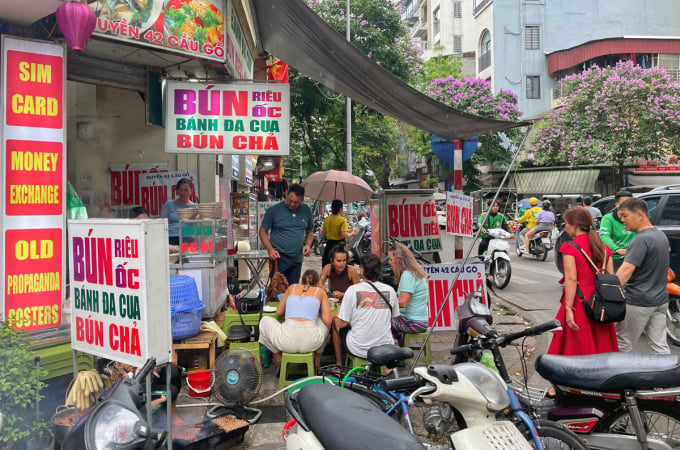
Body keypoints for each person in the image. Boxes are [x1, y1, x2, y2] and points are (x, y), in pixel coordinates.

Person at [547, 207, 618, 356]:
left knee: (578, 346)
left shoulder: (570, 247)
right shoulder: (603, 248)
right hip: (601, 301)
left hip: (580, 301)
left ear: (575, 224)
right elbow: (611, 276)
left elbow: (571, 279)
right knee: (601, 342)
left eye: (566, 223)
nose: (565, 226)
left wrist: (568, 308)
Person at [615, 198, 670, 354]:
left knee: (623, 343)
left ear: (639, 214)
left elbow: (625, 270)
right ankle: (666, 376)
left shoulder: (640, 239)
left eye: (625, 216)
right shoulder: (660, 236)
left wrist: (608, 292)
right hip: (660, 301)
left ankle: (624, 377)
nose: (622, 220)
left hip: (638, 301)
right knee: (659, 346)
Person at [331, 254, 400, 365]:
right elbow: (394, 317)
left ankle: (339, 363)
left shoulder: (352, 290)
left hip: (359, 348)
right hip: (385, 346)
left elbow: (342, 323)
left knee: (336, 323)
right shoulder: (390, 291)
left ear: (362, 271)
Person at [259, 269, 333, 369]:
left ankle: (278, 357)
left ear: (301, 281)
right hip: (310, 342)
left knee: (264, 321)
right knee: (324, 323)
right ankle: (317, 360)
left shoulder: (292, 288)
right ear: (317, 283)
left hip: (286, 342)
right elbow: (328, 321)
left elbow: (279, 312)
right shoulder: (320, 292)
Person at [259, 184, 314, 285]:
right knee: (278, 290)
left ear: (302, 199)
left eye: (296, 202)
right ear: (287, 195)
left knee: (293, 289)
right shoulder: (274, 210)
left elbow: (310, 231)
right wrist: (270, 249)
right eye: (290, 200)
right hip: (279, 258)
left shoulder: (306, 210)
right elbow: (262, 231)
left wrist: (308, 245)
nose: (292, 204)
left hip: (297, 259)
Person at [388, 243, 429, 344]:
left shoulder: (408, 275)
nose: (389, 262)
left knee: (380, 323)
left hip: (413, 322)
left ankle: (395, 353)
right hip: (418, 320)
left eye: (391, 259)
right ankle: (398, 347)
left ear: (398, 261)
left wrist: (384, 305)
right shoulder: (412, 272)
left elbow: (403, 303)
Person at [599, 190, 635, 271]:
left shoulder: (636, 217)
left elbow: (645, 230)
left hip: (634, 258)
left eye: (631, 203)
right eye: (625, 203)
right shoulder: (608, 219)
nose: (629, 205)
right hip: (616, 259)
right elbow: (604, 236)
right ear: (617, 205)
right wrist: (616, 249)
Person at [160, 178, 197, 246]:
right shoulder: (169, 204)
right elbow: (161, 225)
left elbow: (200, 226)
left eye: (186, 190)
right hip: (171, 238)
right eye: (180, 190)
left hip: (189, 238)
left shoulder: (195, 207)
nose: (183, 193)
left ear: (191, 191)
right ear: (177, 191)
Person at [321, 199, 356, 267]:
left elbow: (323, 234)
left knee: (327, 264)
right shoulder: (343, 220)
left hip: (329, 245)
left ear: (331, 208)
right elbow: (344, 234)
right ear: (341, 209)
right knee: (340, 265)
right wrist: (352, 233)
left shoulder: (327, 219)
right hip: (340, 245)